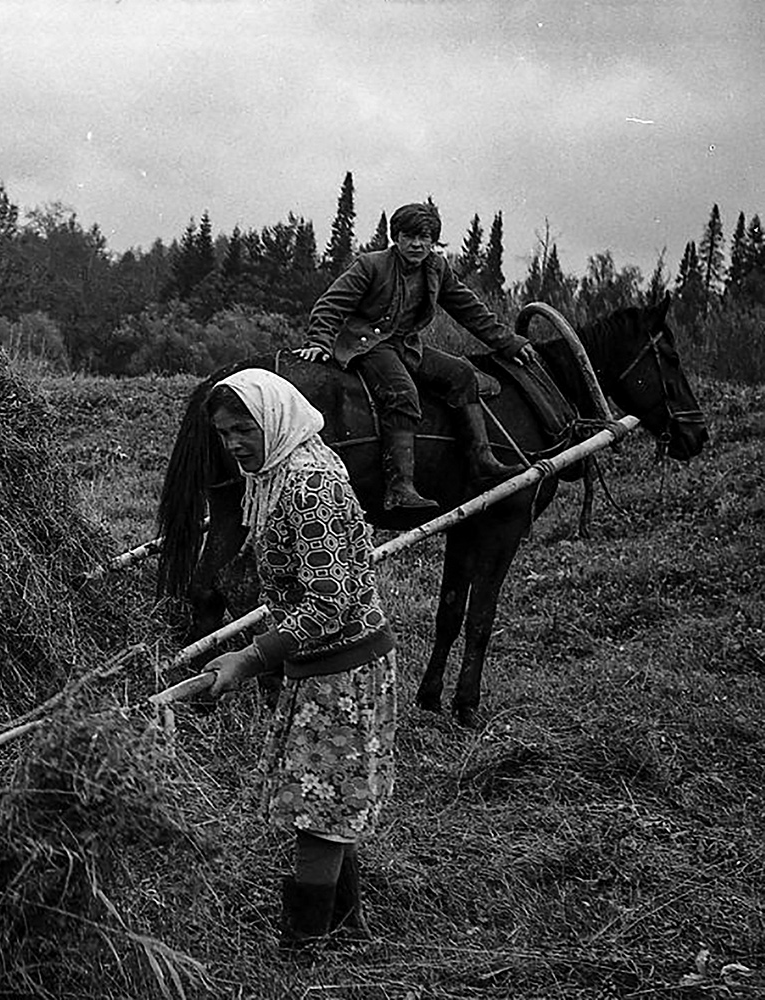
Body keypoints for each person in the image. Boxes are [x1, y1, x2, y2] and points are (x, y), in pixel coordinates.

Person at [198, 367, 396, 949]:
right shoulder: (277, 473)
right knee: (328, 795)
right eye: (224, 433)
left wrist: (249, 659)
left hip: (344, 666)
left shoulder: (310, 485)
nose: (233, 443)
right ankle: (346, 927)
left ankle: (304, 944)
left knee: (319, 809)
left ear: (275, 418)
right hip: (318, 663)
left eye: (243, 429)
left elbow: (330, 605)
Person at [294, 201, 535, 509]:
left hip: (407, 345)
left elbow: (469, 308)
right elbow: (331, 305)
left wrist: (508, 342)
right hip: (368, 344)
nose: (417, 244)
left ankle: (481, 462)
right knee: (402, 393)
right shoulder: (371, 265)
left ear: (433, 241)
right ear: (397, 237)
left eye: (425, 238)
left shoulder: (437, 268)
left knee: (462, 374)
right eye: (409, 236)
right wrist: (320, 341)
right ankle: (400, 488)